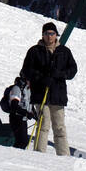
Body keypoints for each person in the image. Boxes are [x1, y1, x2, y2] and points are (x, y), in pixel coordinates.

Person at [21, 21, 78, 156]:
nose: (49, 36)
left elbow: (73, 70)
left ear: (56, 35)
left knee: (59, 127)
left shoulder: (64, 51)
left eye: (52, 33)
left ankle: (64, 155)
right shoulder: (34, 51)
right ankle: (40, 153)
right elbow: (25, 70)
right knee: (43, 124)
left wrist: (59, 74)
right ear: (43, 35)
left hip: (58, 95)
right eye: (46, 34)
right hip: (41, 94)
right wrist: (40, 77)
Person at [2, 76, 34, 149]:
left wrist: (33, 114)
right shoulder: (17, 89)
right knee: (21, 142)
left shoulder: (27, 89)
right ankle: (14, 157)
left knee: (24, 141)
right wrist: (26, 113)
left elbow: (28, 103)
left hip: (23, 119)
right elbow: (14, 106)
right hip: (16, 119)